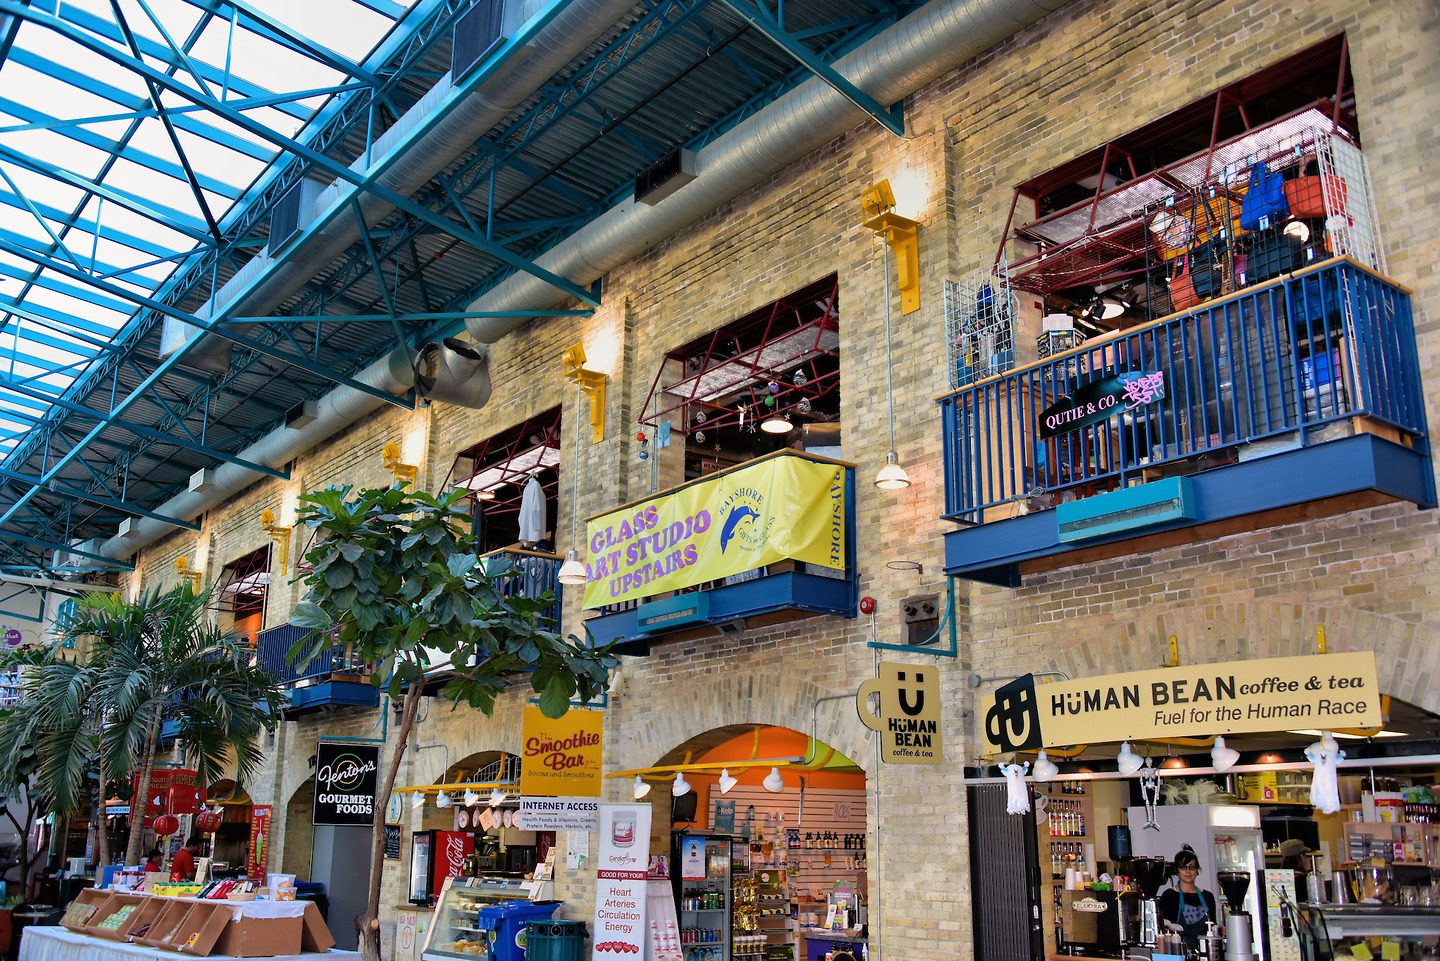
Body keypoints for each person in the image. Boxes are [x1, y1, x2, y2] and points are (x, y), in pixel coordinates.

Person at [1157, 845, 1218, 949]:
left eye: (1192, 867)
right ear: (1177, 870)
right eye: (1183, 867)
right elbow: (1163, 928)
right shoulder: (1169, 896)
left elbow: (1213, 927)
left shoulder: (1207, 897)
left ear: (1197, 870)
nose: (1188, 871)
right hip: (1177, 951)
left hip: (1205, 951)